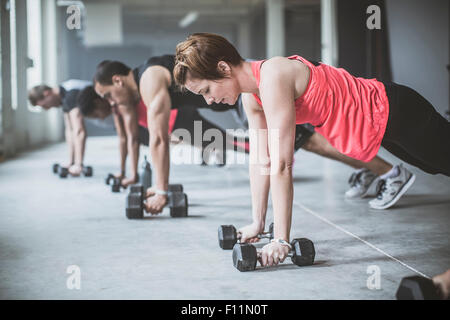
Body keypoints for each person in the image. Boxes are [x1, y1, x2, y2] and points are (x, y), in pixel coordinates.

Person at [173, 33, 450, 268]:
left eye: (206, 90)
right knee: (435, 166)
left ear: (223, 68)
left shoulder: (274, 76)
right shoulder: (250, 98)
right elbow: (261, 161)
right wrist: (257, 224)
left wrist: (281, 239)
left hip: (395, 110)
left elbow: (282, 164)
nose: (209, 100)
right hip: (383, 124)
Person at [28, 80, 91, 176]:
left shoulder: (71, 93)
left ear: (47, 93)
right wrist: (71, 163)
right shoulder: (63, 98)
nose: (47, 109)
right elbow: (70, 130)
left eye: (44, 105)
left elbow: (79, 131)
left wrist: (79, 165)